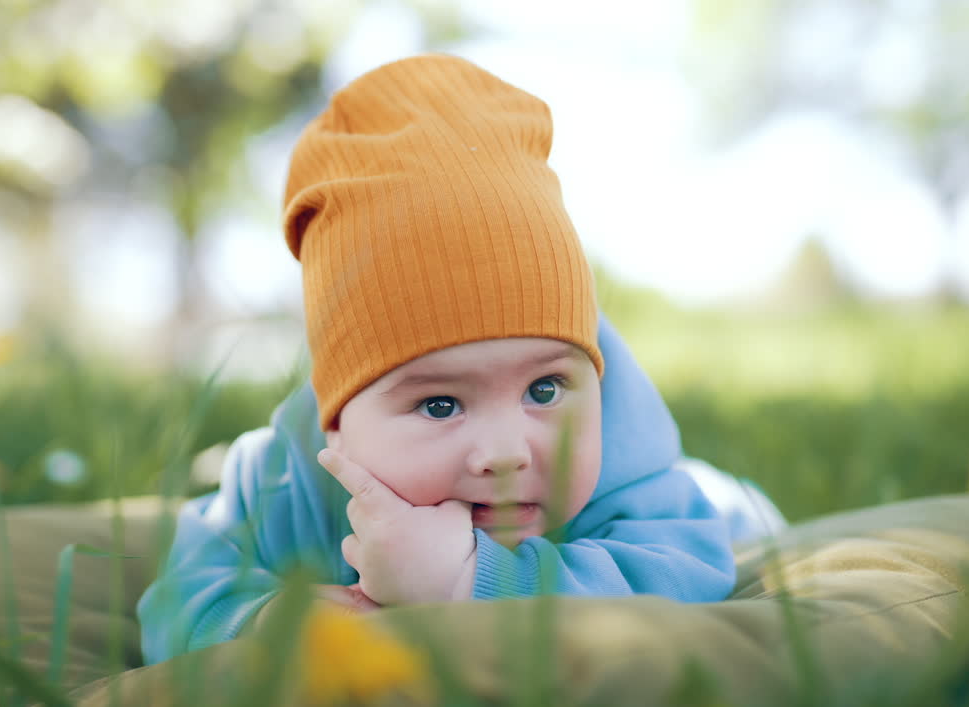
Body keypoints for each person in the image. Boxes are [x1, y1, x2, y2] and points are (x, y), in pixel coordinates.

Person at [138, 54, 784, 664]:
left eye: (545, 389)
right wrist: (272, 618)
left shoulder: (622, 463)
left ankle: (734, 493)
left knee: (727, 506)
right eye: (441, 404)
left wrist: (472, 579)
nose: (506, 453)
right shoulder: (287, 480)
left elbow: (685, 566)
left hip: (706, 499)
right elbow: (184, 590)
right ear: (337, 419)